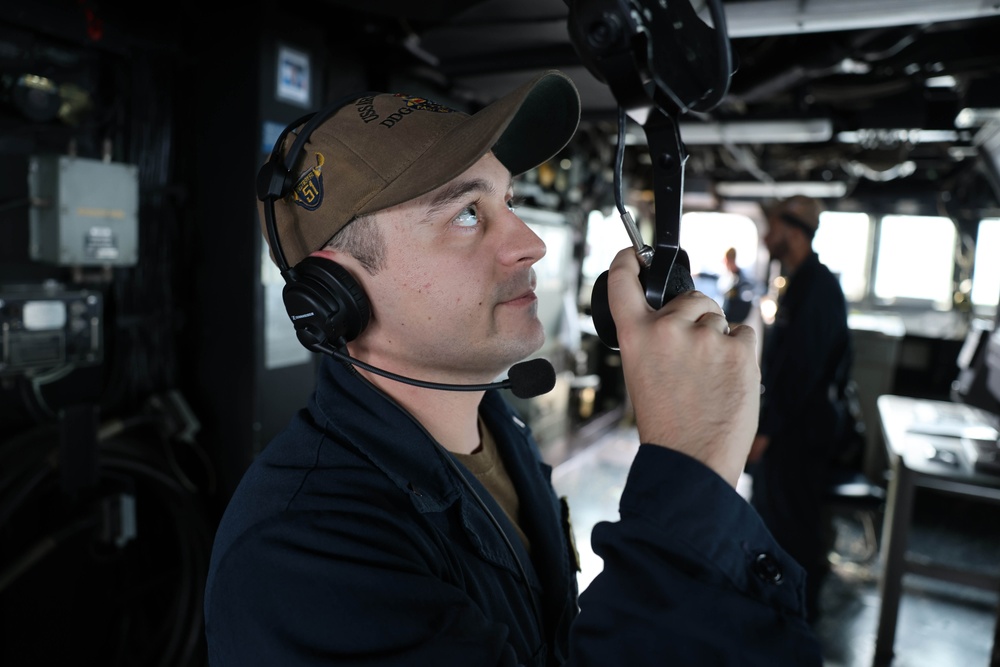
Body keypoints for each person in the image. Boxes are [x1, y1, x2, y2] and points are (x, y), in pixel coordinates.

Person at [204, 70, 823, 665]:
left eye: (509, 200)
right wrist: (694, 472)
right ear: (338, 292)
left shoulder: (501, 428)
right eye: (466, 214)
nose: (531, 241)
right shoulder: (302, 556)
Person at [746, 194, 853, 624]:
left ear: (792, 231)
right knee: (777, 517)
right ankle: (778, 605)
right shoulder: (801, 281)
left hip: (800, 433)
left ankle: (795, 616)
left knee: (792, 524)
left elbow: (801, 370)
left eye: (771, 229)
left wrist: (766, 431)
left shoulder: (816, 287)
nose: (767, 237)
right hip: (795, 426)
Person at [721, 246, 757, 324]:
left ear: (729, 260)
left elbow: (745, 303)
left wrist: (734, 321)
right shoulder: (734, 277)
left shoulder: (742, 281)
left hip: (734, 321)